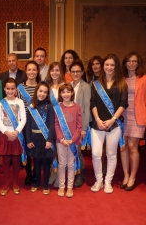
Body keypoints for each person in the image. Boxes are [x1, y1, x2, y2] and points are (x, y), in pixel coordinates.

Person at [90, 54, 128, 194]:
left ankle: (108, 182)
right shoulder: (96, 84)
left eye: (112, 65)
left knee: (111, 154)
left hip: (114, 123)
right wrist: (98, 119)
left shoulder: (122, 84)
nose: (109, 67)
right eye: (107, 64)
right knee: (96, 154)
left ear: (116, 66)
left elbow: (124, 104)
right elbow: (92, 102)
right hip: (98, 123)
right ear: (102, 66)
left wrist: (112, 119)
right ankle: (99, 180)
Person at [120, 52, 146, 191]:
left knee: (132, 147)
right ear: (125, 63)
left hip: (137, 117)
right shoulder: (121, 78)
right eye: (128, 61)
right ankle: (126, 175)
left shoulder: (145, 78)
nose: (131, 63)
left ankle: (133, 177)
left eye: (134, 61)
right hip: (122, 117)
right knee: (123, 147)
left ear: (138, 63)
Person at [0, 78, 27, 196]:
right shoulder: (0, 102)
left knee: (16, 160)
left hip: (16, 135)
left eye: (12, 88)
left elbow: (23, 118)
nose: (10, 91)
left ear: (16, 89)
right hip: (5, 135)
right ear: (4, 89)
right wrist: (6, 132)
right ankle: (6, 183)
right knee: (6, 160)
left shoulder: (20, 102)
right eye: (7, 88)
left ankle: (15, 183)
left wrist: (16, 131)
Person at [25, 82, 55, 195]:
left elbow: (52, 125)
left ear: (47, 94)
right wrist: (28, 139)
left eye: (45, 92)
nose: (42, 94)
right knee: (36, 161)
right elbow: (27, 125)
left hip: (45, 138)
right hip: (34, 137)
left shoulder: (49, 106)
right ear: (36, 91)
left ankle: (46, 184)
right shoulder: (31, 107)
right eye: (40, 91)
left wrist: (49, 140)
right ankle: (37, 183)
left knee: (46, 162)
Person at [54, 83, 82, 197]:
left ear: (72, 93)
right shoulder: (57, 108)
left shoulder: (77, 107)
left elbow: (79, 126)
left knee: (71, 164)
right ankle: (61, 186)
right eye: (63, 92)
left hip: (73, 142)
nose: (66, 94)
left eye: (68, 92)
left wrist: (73, 139)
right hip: (61, 141)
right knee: (62, 164)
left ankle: (69, 187)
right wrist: (61, 139)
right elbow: (56, 124)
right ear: (60, 94)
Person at [17, 60, 41, 186]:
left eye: (34, 70)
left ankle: (37, 174)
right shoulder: (20, 88)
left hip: (39, 123)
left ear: (38, 71)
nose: (31, 72)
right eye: (29, 70)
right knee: (27, 149)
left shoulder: (41, 86)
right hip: (25, 123)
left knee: (37, 150)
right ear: (26, 71)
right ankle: (28, 174)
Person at [70, 60, 91, 188]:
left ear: (82, 72)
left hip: (79, 126)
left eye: (78, 71)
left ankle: (80, 175)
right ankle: (72, 173)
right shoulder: (68, 85)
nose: (76, 73)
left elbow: (86, 108)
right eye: (73, 71)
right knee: (69, 151)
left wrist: (84, 128)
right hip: (68, 124)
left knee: (77, 151)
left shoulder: (86, 87)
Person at [45, 61, 65, 187]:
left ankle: (60, 176)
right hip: (48, 121)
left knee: (59, 149)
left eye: (57, 70)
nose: (54, 73)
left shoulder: (65, 86)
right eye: (52, 70)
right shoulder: (46, 86)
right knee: (51, 150)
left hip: (61, 121)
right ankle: (53, 172)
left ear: (61, 72)